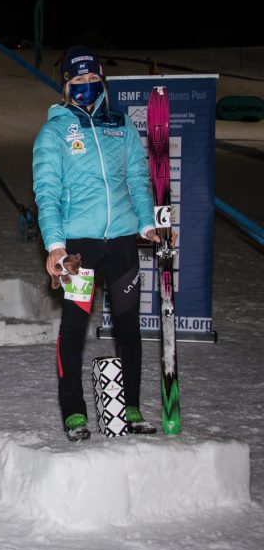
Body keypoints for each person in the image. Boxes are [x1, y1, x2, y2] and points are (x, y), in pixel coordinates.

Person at [33, 45, 161, 441]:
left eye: (93, 80)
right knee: (74, 328)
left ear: (101, 81)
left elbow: (138, 181)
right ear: (66, 85)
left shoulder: (119, 125)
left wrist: (146, 222)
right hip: (78, 249)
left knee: (128, 328)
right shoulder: (54, 131)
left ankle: (132, 405)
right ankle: (74, 412)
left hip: (121, 242)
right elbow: (47, 192)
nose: (86, 86)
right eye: (79, 80)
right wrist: (55, 245)